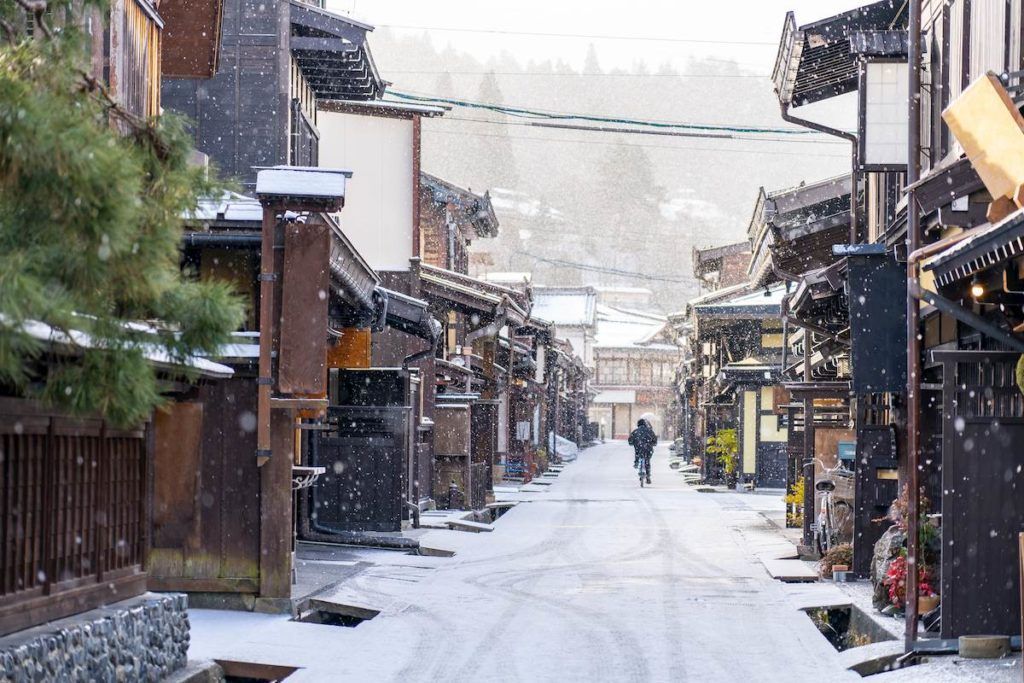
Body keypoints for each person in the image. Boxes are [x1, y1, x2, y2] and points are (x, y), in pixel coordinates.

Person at [628, 419, 657, 484]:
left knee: (638, 452)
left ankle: (636, 462)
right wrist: (653, 443)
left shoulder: (635, 431)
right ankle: (648, 476)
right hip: (648, 448)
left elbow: (630, 440)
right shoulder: (649, 431)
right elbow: (654, 440)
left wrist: (632, 443)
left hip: (639, 448)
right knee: (647, 460)